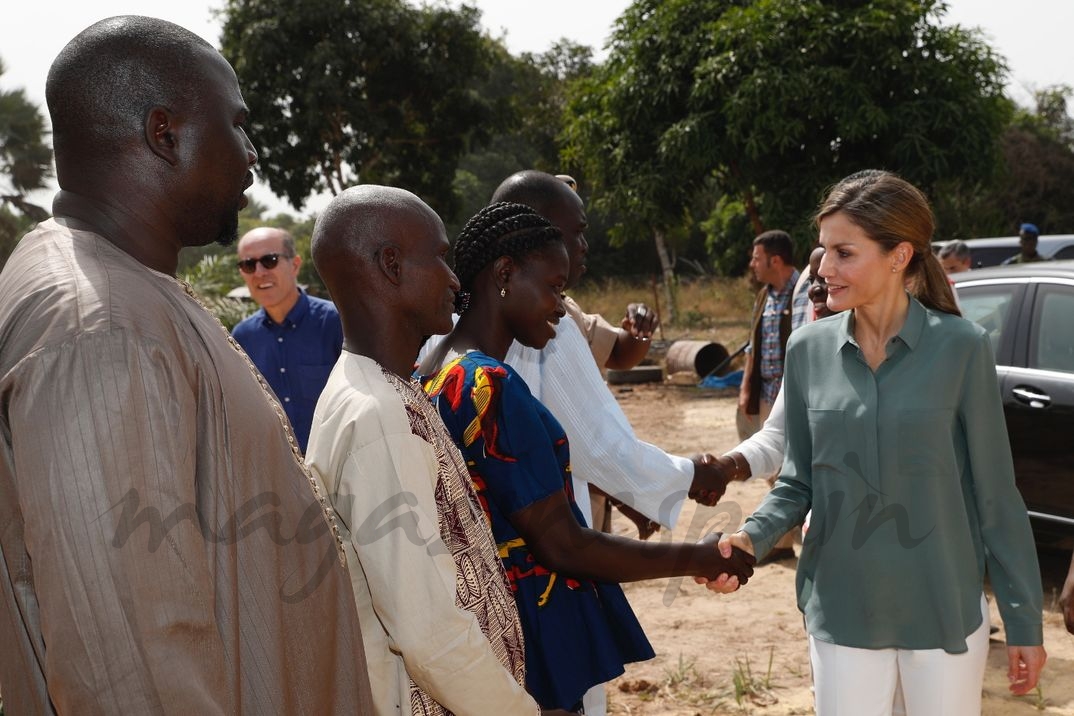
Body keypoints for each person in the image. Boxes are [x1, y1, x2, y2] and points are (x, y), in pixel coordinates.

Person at [0, 17, 373, 713]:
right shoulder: (99, 328)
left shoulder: (130, 290)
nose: (253, 155)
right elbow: (130, 667)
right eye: (237, 125)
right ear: (163, 134)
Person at [713, 170, 1046, 715]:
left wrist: (1024, 620)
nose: (822, 269)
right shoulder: (807, 350)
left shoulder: (963, 349)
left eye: (843, 252)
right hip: (840, 611)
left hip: (945, 616)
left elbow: (996, 498)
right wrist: (749, 539)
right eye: (822, 252)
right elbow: (798, 482)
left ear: (899, 256)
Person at [422, 202, 755, 713]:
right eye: (555, 288)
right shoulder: (490, 385)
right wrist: (699, 556)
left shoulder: (434, 366)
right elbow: (565, 546)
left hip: (480, 629)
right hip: (531, 639)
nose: (561, 306)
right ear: (505, 274)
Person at [305, 186, 537, 715]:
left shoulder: (383, 389)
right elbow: (427, 629)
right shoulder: (378, 416)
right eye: (438, 257)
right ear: (391, 266)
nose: (454, 280)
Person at [232, 226, 342, 451]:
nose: (259, 272)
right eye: (248, 264)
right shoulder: (242, 338)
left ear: (295, 265)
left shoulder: (337, 323)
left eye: (270, 260)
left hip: (338, 469)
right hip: (276, 475)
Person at [738, 229, 804, 441]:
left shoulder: (806, 291)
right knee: (770, 458)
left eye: (757, 259)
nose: (752, 264)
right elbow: (752, 346)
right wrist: (745, 389)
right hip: (767, 393)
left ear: (775, 261)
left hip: (794, 394)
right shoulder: (764, 296)